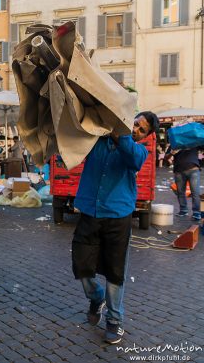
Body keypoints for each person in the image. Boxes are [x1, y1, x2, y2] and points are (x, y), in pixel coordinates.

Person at [72, 111, 159, 344]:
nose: (136, 129)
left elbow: (132, 156)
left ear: (145, 137)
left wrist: (119, 133)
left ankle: (114, 321)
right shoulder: (97, 139)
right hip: (90, 211)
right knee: (81, 265)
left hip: (118, 215)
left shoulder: (138, 151)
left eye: (142, 130)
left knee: (115, 271)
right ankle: (96, 296)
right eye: (135, 123)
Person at [166, 146, 201, 220]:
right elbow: (166, 157)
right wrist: (172, 153)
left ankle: (196, 212)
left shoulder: (193, 139)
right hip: (179, 170)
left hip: (193, 169)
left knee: (195, 192)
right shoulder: (174, 141)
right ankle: (183, 210)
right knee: (181, 192)